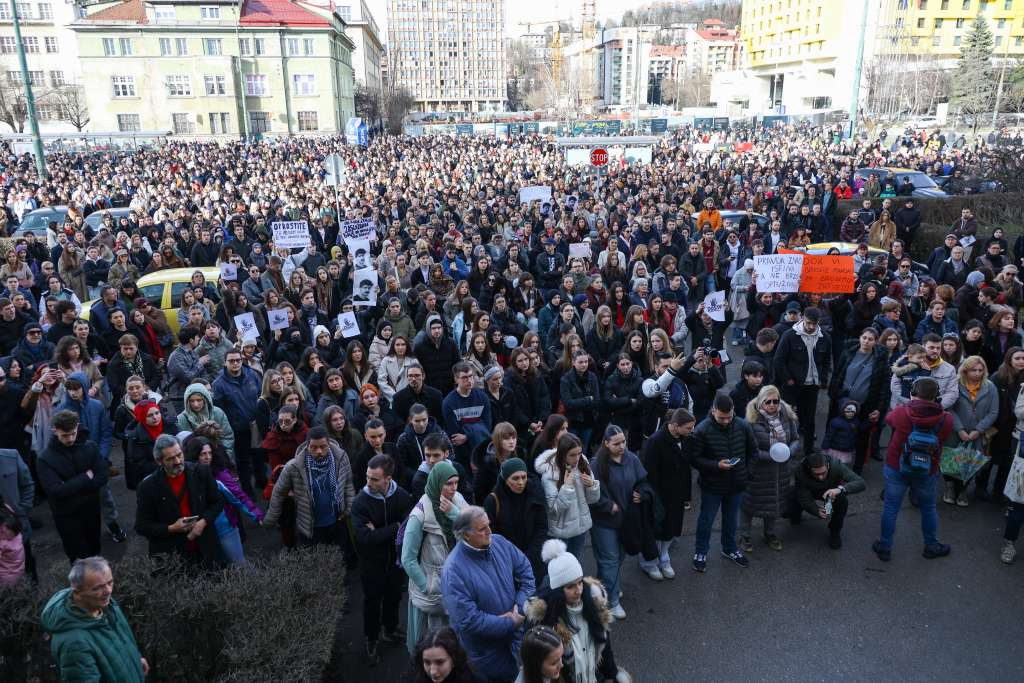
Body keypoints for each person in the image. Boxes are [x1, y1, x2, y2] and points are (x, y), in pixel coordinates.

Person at [442, 505, 535, 682]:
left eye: (488, 525)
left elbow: (526, 572)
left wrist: (521, 605)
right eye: (482, 528)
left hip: (516, 641)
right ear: (466, 535)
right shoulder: (453, 571)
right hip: (485, 655)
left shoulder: (499, 543)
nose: (489, 531)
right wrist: (508, 622)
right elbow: (468, 620)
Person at [873, 377, 954, 562]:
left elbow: (888, 420)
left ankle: (885, 547)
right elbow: (945, 436)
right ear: (937, 396)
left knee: (891, 507)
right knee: (928, 508)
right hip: (927, 469)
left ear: (913, 393)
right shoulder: (946, 419)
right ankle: (931, 546)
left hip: (897, 465)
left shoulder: (902, 412)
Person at [523, 539, 626, 683]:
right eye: (570, 586)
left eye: (579, 582)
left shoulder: (594, 605)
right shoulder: (545, 621)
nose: (578, 590)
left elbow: (605, 647)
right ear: (558, 590)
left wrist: (611, 675)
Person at [41, 557, 147, 682]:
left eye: (110, 582)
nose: (108, 591)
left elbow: (120, 640)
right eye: (97, 588)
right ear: (77, 592)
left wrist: (135, 659)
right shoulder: (74, 643)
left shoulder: (107, 606)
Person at [351, 453, 414, 665]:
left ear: (388, 478)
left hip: (395, 562)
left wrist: (381, 531)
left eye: (374, 479)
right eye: (368, 477)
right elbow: (364, 537)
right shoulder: (360, 501)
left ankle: (390, 628)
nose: (368, 483)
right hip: (372, 563)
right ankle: (371, 638)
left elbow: (409, 529)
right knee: (372, 602)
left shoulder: (403, 497)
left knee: (394, 596)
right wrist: (395, 527)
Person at [401, 461, 468, 653]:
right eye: (448, 483)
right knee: (434, 645)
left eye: (456, 483)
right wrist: (427, 586)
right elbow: (408, 558)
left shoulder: (458, 500)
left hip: (458, 584)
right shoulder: (420, 515)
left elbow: (474, 530)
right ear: (437, 482)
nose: (453, 488)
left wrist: (455, 514)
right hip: (434, 592)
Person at [263, 425, 356, 558]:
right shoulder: (294, 466)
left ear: (329, 444)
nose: (319, 451)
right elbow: (278, 493)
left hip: (336, 522)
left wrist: (348, 510)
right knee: (314, 562)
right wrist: (269, 521)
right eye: (314, 447)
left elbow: (347, 484)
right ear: (307, 446)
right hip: (310, 526)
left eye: (323, 447)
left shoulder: (340, 458)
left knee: (340, 559)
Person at [134, 434, 225, 568]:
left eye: (179, 455)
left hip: (206, 549)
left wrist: (203, 522)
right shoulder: (148, 487)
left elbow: (217, 502)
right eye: (170, 459)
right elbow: (142, 526)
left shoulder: (201, 471)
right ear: (159, 461)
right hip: (172, 556)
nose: (177, 461)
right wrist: (171, 528)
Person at [690, 393, 756, 573]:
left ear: (734, 411)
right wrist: (716, 465)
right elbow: (695, 459)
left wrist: (747, 474)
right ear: (713, 411)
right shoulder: (702, 430)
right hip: (713, 485)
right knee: (706, 520)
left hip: (736, 484)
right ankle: (700, 552)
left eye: (729, 417)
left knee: (731, 519)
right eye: (721, 417)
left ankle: (730, 548)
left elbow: (753, 452)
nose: (726, 421)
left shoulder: (743, 425)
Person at [589, 424, 650, 616]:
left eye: (623, 441)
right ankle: (612, 601)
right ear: (606, 443)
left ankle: (600, 589)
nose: (622, 446)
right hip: (604, 522)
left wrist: (641, 493)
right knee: (610, 560)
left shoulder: (632, 459)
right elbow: (590, 493)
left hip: (626, 520)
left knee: (618, 558)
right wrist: (608, 505)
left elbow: (643, 482)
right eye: (617, 443)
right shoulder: (596, 465)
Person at [36, 410, 109, 563]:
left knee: (95, 550)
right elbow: (56, 491)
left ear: (77, 427)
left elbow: (102, 475)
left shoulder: (90, 447)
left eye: (73, 433)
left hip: (91, 509)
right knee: (77, 558)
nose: (70, 439)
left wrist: (70, 486)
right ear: (55, 430)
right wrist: (85, 477)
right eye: (64, 435)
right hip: (67, 516)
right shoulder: (44, 458)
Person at [739, 386, 802, 553]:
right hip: (758, 471)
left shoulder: (787, 417)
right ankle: (744, 535)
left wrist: (789, 451)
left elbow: (796, 439)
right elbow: (749, 450)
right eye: (769, 402)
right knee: (749, 505)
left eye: (776, 401)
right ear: (761, 402)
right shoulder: (751, 422)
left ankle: (770, 534)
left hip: (780, 472)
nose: (773, 405)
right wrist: (771, 455)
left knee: (774, 503)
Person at [639, 408, 695, 579]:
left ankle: (664, 557)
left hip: (677, 494)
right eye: (688, 428)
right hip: (660, 496)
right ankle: (649, 562)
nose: (691, 431)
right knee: (656, 530)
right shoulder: (656, 442)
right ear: (676, 426)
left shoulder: (685, 439)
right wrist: (653, 498)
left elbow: (686, 468)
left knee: (671, 528)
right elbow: (649, 472)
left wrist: (686, 495)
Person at [482, 457, 549, 583]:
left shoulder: (534, 494)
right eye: (515, 478)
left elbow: (541, 527)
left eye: (523, 477)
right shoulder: (493, 501)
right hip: (507, 563)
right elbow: (491, 535)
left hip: (534, 561)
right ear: (505, 480)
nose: (521, 482)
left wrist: (529, 556)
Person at [773, 307, 831, 449]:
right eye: (808, 323)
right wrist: (788, 379)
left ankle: (809, 451)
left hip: (812, 386)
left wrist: (823, 380)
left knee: (810, 420)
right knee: (785, 417)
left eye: (814, 323)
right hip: (793, 385)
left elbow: (826, 361)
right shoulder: (789, 335)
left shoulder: (825, 338)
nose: (811, 327)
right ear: (802, 319)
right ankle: (782, 447)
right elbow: (778, 360)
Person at [944, 356, 997, 507]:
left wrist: (978, 430)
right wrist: (959, 429)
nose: (977, 373)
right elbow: (949, 408)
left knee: (970, 463)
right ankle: (950, 487)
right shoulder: (955, 383)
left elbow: (993, 412)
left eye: (981, 370)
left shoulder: (990, 387)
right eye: (974, 370)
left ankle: (963, 491)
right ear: (965, 370)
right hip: (955, 431)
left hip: (976, 433)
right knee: (951, 460)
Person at [212, 348, 264, 494]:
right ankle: (248, 491)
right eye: (231, 361)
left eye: (238, 360)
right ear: (225, 362)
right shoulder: (219, 384)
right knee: (243, 461)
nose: (235, 363)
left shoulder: (252, 375)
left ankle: (262, 482)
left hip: (255, 425)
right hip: (237, 428)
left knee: (259, 455)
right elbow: (219, 410)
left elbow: (261, 395)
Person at [791, 451, 866, 549]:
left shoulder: (836, 465)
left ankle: (835, 532)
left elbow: (860, 483)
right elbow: (803, 496)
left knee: (842, 502)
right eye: (816, 474)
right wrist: (815, 510)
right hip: (810, 491)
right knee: (794, 495)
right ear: (809, 469)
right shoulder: (799, 470)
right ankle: (795, 514)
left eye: (823, 473)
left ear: (828, 465)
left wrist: (840, 489)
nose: (821, 477)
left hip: (831, 493)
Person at [442, 361, 492, 474]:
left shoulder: (483, 397)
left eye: (471, 376)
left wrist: (467, 435)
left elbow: (487, 428)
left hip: (482, 450)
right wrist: (477, 428)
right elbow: (455, 437)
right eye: (464, 377)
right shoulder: (448, 402)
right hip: (462, 454)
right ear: (456, 380)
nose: (469, 380)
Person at [406, 626, 477, 683]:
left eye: (440, 662)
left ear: (454, 659)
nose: (432, 671)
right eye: (427, 662)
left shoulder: (472, 679)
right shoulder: (414, 678)